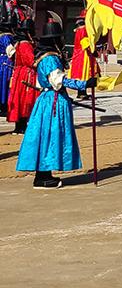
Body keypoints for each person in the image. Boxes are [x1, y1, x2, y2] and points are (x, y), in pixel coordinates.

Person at [15, 20, 95, 188]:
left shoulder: (43, 56)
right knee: (51, 136)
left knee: (44, 136)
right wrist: (85, 84)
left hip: (47, 100)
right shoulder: (50, 58)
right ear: (54, 40)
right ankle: (43, 177)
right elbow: (59, 80)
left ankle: (43, 175)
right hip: (53, 102)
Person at [7, 18, 37, 133]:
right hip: (26, 74)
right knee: (25, 99)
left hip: (19, 73)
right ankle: (21, 126)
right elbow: (31, 61)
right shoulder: (25, 44)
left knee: (19, 98)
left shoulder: (19, 43)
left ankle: (19, 126)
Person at [0, 14, 14, 119]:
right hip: (6, 61)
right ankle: (4, 106)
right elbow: (10, 50)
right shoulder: (7, 37)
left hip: (1, 60)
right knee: (6, 82)